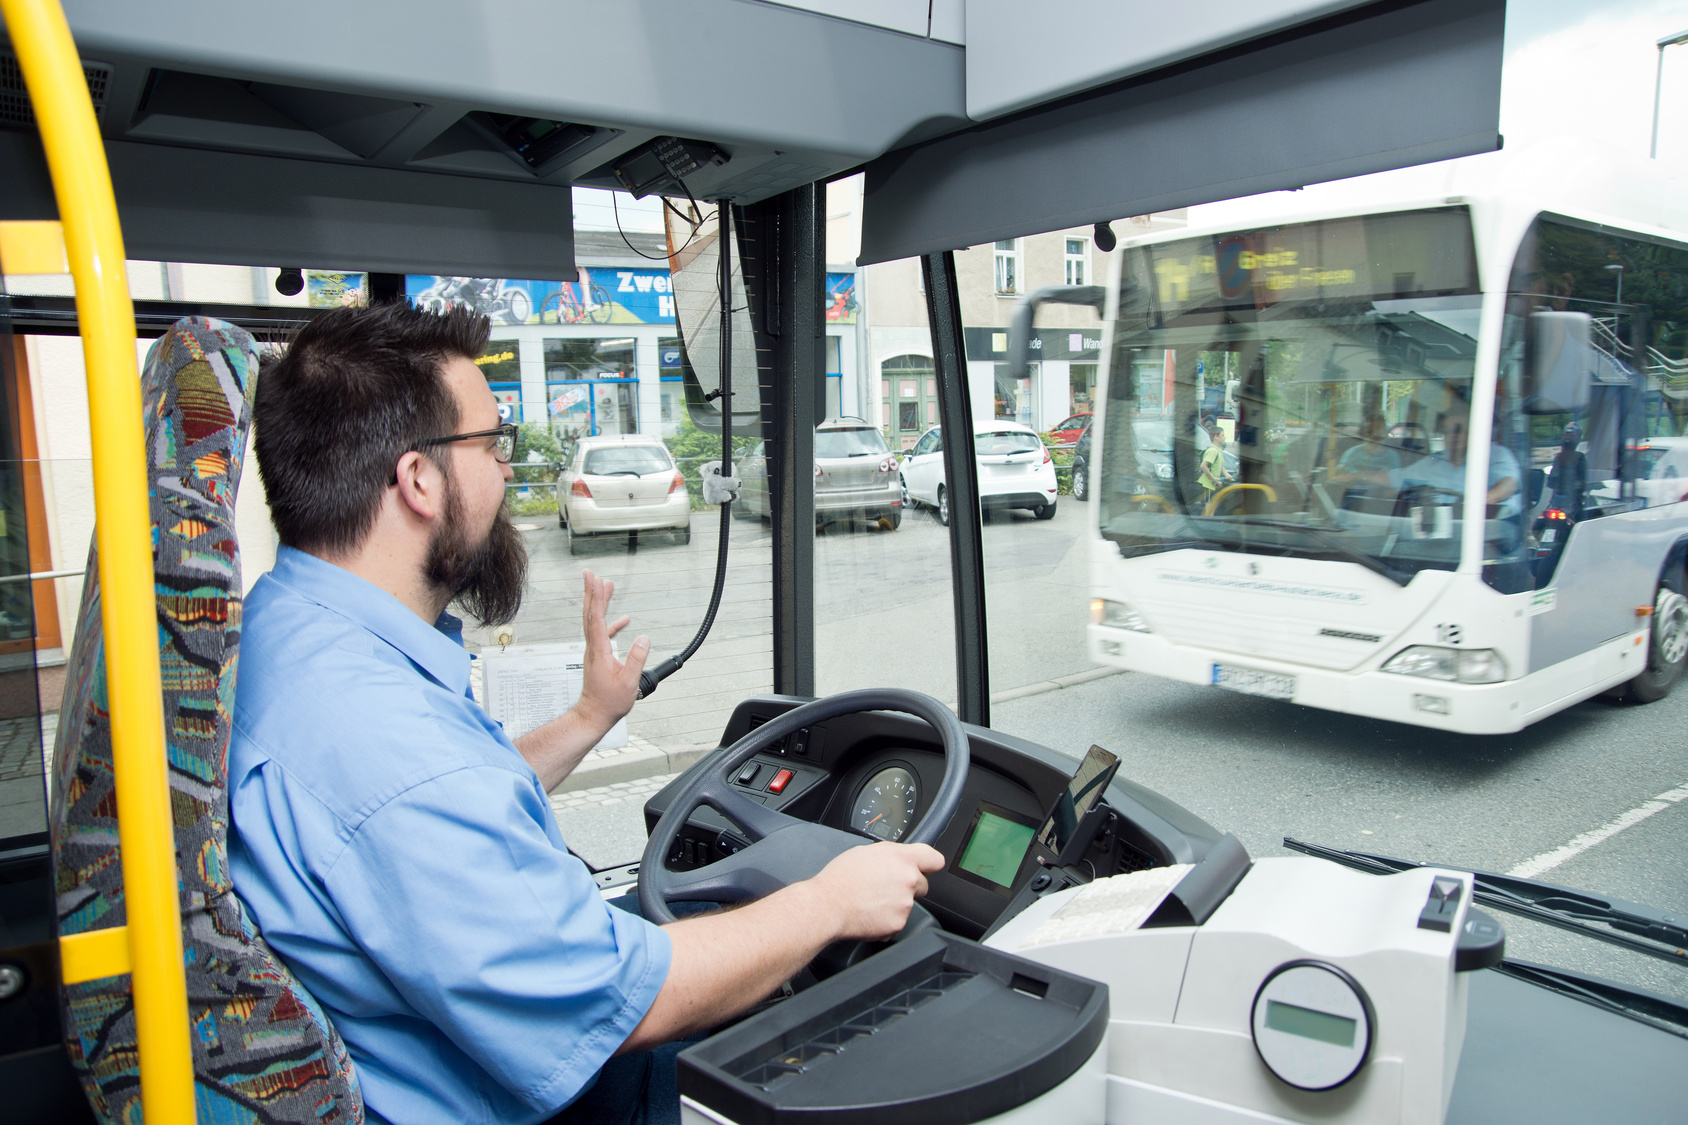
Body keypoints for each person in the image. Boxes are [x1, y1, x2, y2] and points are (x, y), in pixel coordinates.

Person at [229, 303, 943, 1125]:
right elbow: (621, 1001)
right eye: (492, 445)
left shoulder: (288, 630)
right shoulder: (391, 749)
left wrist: (591, 713)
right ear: (418, 479)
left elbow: (434, 817)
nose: (506, 471)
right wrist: (830, 901)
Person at [1397, 403, 1521, 518]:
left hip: (1488, 530)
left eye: (1458, 430)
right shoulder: (1435, 461)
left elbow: (1508, 485)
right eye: (1447, 432)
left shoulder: (1496, 455)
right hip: (1438, 529)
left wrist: (1480, 502)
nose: (1453, 436)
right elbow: (1394, 478)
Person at [1197, 422, 1231, 507]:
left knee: (1213, 505)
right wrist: (1213, 479)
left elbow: (1220, 465)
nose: (1224, 437)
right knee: (1209, 505)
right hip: (1207, 484)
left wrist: (1227, 475)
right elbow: (1203, 466)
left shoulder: (1218, 450)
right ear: (1216, 437)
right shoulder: (1213, 451)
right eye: (1222, 435)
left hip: (1212, 483)